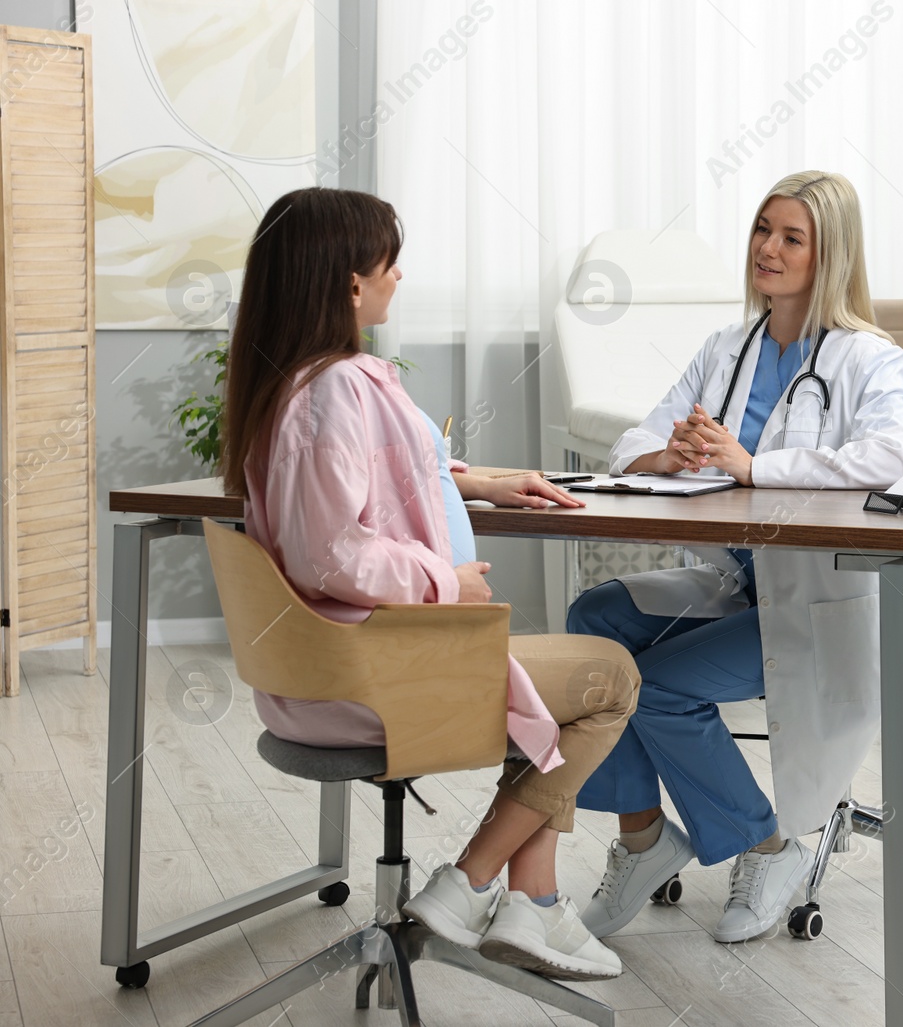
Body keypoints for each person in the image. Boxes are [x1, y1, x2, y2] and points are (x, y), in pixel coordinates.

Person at [220, 187, 638, 981]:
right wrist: (442, 580)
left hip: (328, 673)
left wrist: (472, 480)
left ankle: (536, 902)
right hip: (375, 678)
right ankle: (473, 881)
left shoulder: (293, 386)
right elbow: (330, 551)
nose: (399, 276)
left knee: (561, 686)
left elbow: (362, 476)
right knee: (608, 677)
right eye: (389, 260)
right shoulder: (337, 387)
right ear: (350, 282)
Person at [567, 170, 903, 944]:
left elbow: (894, 456)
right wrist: (668, 453)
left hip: (816, 601)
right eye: (763, 229)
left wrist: (753, 464)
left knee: (655, 689)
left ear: (828, 255)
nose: (768, 247)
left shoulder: (868, 357)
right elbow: (634, 438)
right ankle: (643, 840)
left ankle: (768, 845)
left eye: (791, 237)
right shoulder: (726, 348)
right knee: (593, 620)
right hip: (735, 582)